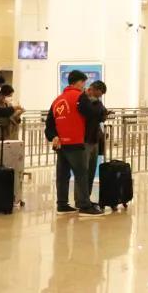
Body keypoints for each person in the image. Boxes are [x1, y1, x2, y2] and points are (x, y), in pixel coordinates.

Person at [45, 70, 104, 217]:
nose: (84, 86)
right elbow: (93, 114)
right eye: (83, 83)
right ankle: (84, 205)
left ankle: (62, 204)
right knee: (81, 174)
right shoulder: (80, 97)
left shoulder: (57, 100)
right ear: (79, 82)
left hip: (61, 144)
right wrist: (97, 102)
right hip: (76, 141)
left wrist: (54, 136)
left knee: (63, 175)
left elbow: (49, 124)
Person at [80, 81, 108, 196]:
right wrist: (101, 111)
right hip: (85, 140)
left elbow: (102, 115)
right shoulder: (83, 99)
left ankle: (87, 198)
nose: (101, 96)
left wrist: (102, 112)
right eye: (101, 93)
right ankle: (82, 199)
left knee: (91, 171)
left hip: (94, 139)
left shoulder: (97, 102)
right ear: (95, 89)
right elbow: (95, 112)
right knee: (83, 171)